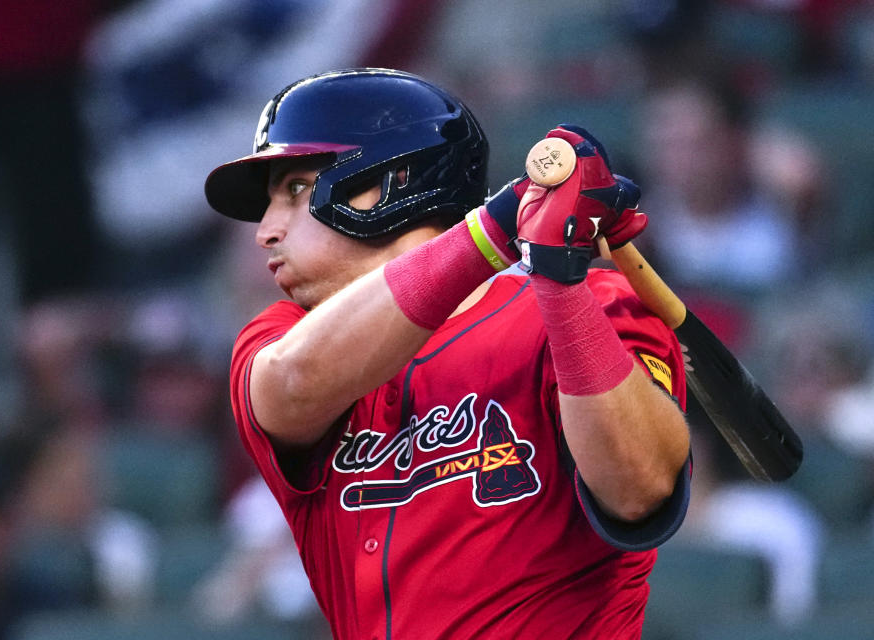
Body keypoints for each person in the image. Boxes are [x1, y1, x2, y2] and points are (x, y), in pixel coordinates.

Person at [204, 68, 691, 639]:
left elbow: (639, 489)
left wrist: (560, 279)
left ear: (389, 183)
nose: (264, 230)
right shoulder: (281, 337)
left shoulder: (590, 306)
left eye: (294, 189)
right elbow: (292, 384)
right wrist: (501, 225)